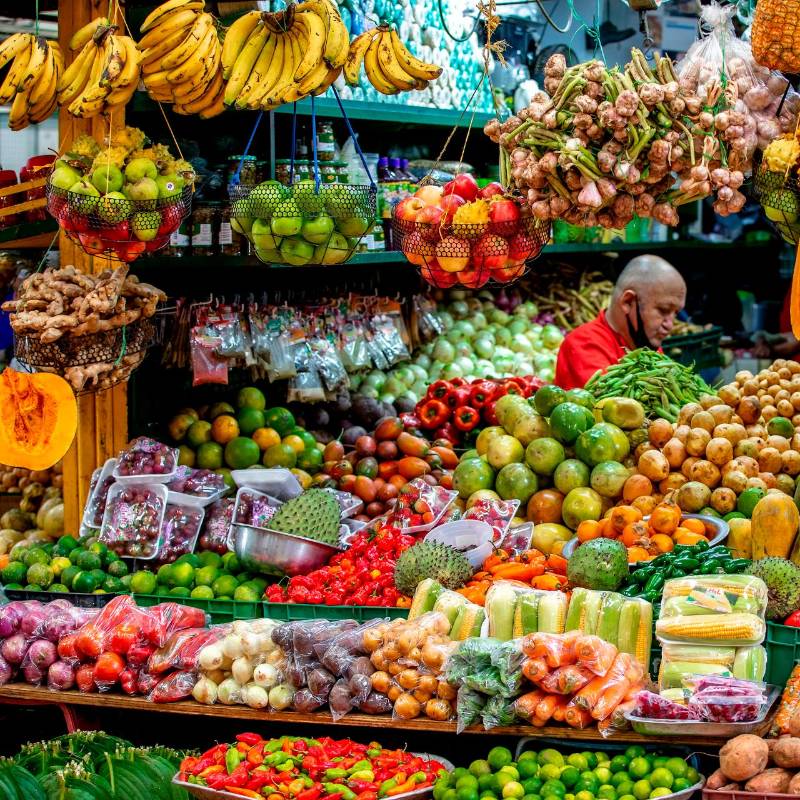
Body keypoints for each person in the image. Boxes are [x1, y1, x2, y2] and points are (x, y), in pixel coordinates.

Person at [554, 255, 687, 390]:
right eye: (663, 310)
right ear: (628, 302)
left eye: (676, 313)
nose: (670, 325)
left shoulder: (646, 345)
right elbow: (614, 401)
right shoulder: (583, 345)